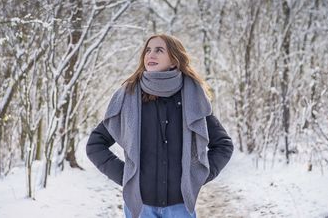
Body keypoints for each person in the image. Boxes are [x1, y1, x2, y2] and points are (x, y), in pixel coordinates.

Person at [86, 34, 234, 218]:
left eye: (159, 50)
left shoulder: (193, 98)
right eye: (148, 50)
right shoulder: (128, 97)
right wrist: (126, 176)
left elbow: (223, 145)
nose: (151, 55)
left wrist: (198, 175)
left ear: (174, 60)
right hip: (140, 207)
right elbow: (95, 144)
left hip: (180, 207)